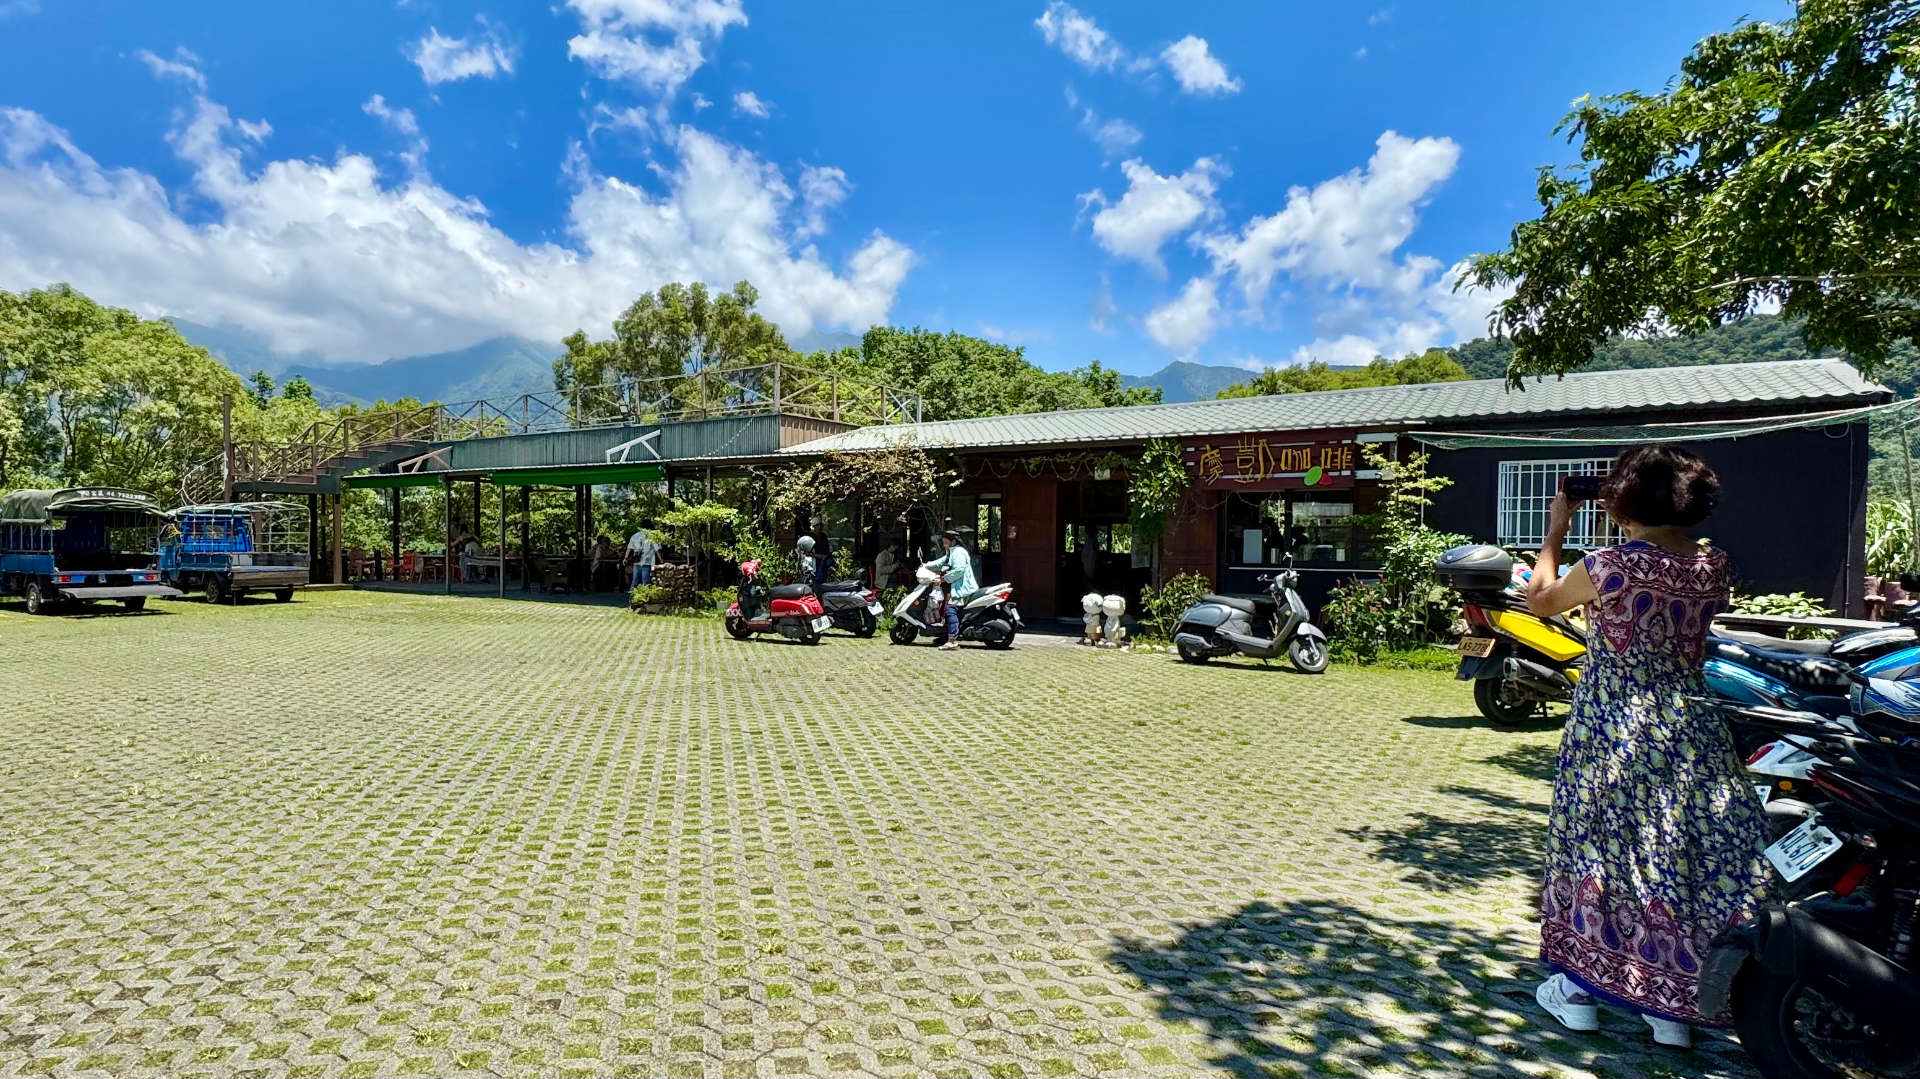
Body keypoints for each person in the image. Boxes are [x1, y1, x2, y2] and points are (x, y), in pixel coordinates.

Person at [1522, 446, 1768, 1049]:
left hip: (1615, 724)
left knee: (1600, 852)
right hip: (1692, 729)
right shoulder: (1715, 568)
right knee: (1677, 858)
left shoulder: (1611, 565)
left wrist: (1556, 533)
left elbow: (1540, 601)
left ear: (1627, 500)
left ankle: (1579, 993)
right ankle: (1670, 1011)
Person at [921, 528, 977, 651]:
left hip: (963, 588)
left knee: (950, 610)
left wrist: (943, 579)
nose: (944, 544)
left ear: (953, 542)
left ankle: (952, 641)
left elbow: (959, 570)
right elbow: (942, 562)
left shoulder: (958, 552)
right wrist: (927, 565)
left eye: (946, 542)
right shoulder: (952, 552)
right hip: (957, 586)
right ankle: (945, 636)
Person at [626, 524, 658, 589]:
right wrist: (662, 560)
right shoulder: (652, 536)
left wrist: (625, 558)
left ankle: (632, 597)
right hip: (647, 562)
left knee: (634, 581)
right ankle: (645, 597)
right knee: (645, 582)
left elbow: (629, 548)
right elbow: (657, 549)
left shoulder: (635, 535)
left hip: (636, 561)